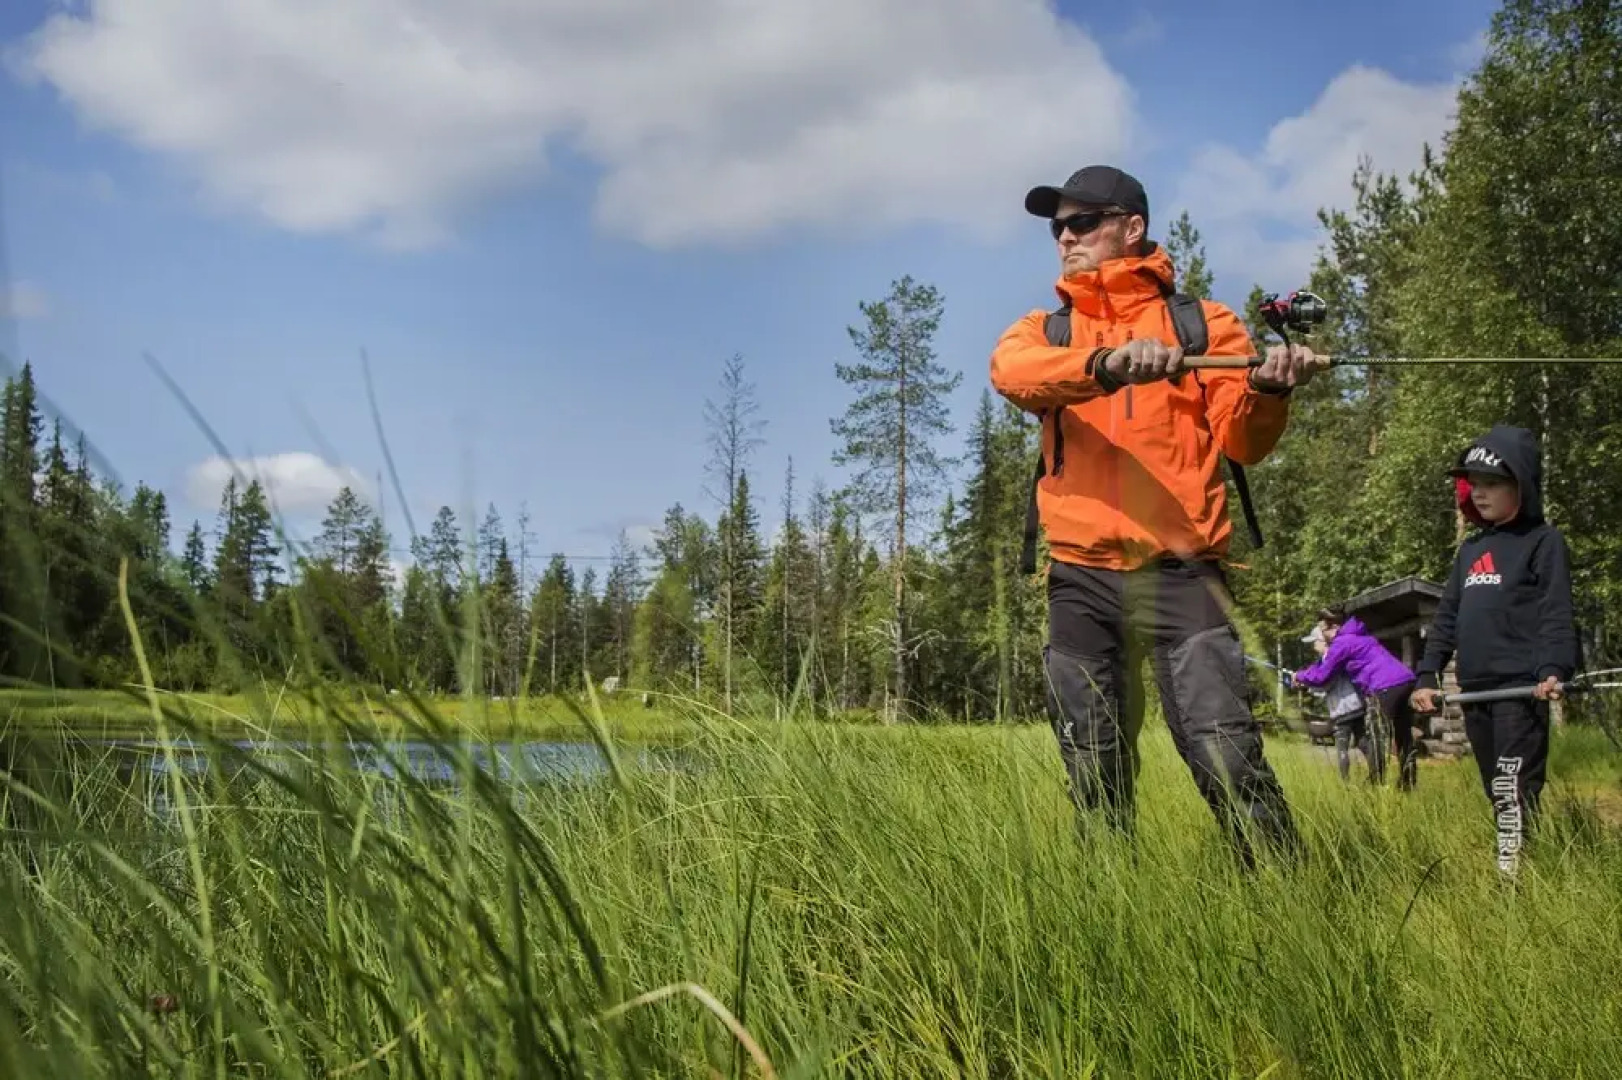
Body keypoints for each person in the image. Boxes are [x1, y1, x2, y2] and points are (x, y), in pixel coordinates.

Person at [989, 164, 1323, 867]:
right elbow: (1011, 374)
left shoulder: (1205, 324)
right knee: (1091, 760)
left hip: (1183, 572)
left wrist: (1268, 392)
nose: (1066, 237)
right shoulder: (1046, 329)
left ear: (1131, 227)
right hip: (1080, 574)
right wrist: (1107, 363)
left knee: (1223, 748)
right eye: (1057, 228)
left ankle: (1290, 893)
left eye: (1083, 222)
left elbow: (1244, 443)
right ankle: (1110, 899)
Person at [1410, 424, 1578, 878]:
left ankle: (1514, 880)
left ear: (1520, 485)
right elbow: (1446, 618)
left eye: (1492, 484)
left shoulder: (1543, 542)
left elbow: (1556, 612)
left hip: (1519, 690)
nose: (1478, 493)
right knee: (1495, 786)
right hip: (1475, 690)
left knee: (1513, 786)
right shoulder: (1471, 550)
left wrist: (1553, 668)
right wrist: (1427, 675)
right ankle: (1516, 864)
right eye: (1474, 484)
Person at [1291, 608, 1421, 788]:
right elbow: (1324, 667)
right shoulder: (1358, 635)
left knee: (1377, 736)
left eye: (1322, 630)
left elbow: (1322, 676)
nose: (1322, 636)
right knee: (1403, 735)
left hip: (1383, 686)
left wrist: (1299, 676)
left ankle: (1376, 785)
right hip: (1405, 680)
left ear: (1333, 626)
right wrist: (1305, 674)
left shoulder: (1342, 642)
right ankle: (1408, 783)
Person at [1300, 624, 1372, 782]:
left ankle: (1345, 784)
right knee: (1363, 742)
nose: (1313, 645)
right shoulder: (1333, 656)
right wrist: (1307, 684)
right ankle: (1377, 776)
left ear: (1323, 641)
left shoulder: (1330, 659)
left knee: (1342, 747)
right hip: (1356, 706)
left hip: (1343, 709)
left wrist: (1305, 682)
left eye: (1315, 641)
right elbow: (1323, 686)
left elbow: (1326, 683)